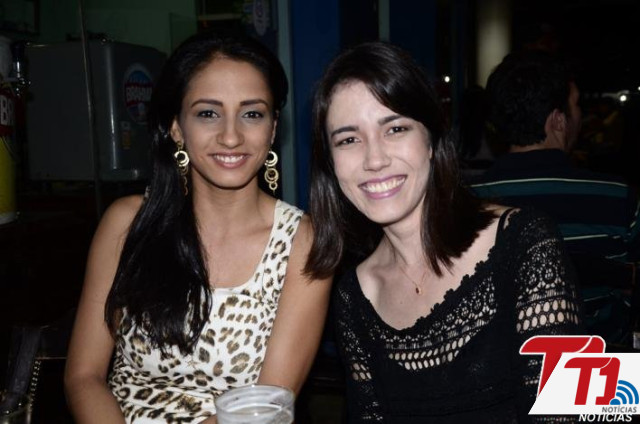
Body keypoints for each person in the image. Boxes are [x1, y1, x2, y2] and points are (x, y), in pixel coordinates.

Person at [305, 41, 582, 423]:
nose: (374, 159)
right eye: (348, 139)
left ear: (432, 141)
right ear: (331, 162)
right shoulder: (354, 295)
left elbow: (564, 412)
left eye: (395, 129)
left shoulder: (525, 243)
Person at [64, 32, 332, 424]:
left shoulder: (302, 242)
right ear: (176, 127)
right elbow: (84, 376)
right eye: (208, 113)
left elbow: (264, 406)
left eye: (252, 114)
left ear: (273, 128)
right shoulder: (127, 223)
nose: (231, 136)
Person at [470, 51, 640, 263]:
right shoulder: (618, 199)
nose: (580, 114)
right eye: (576, 104)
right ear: (558, 120)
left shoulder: (466, 203)